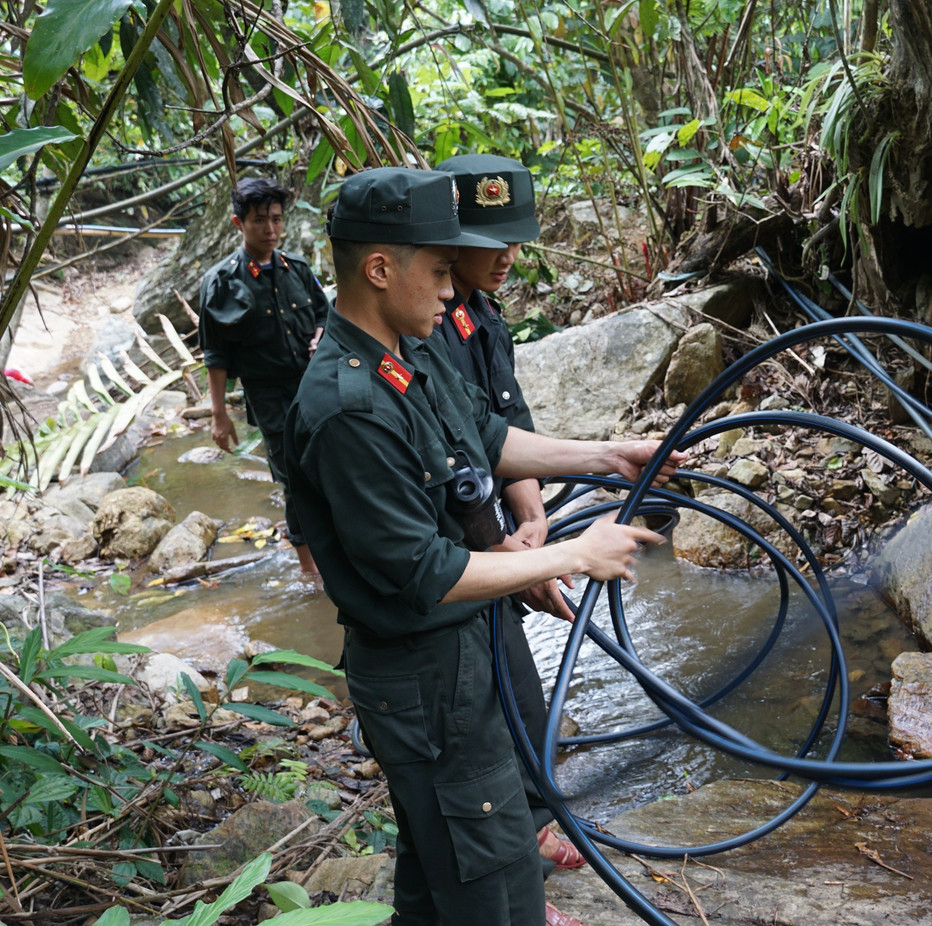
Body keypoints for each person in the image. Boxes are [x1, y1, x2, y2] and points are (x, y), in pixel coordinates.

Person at [284, 166, 684, 926]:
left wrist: (608, 455)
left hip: (457, 665)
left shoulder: (407, 355)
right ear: (379, 269)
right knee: (493, 890)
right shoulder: (349, 409)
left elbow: (487, 439)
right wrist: (573, 554)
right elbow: (424, 574)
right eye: (438, 270)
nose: (448, 289)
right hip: (426, 685)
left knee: (440, 883)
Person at [429, 153, 585, 871]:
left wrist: (536, 518)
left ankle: (533, 822)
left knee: (518, 686)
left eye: (515, 242)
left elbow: (503, 422)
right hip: (452, 555)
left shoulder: (482, 316)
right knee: (481, 706)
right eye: (490, 244)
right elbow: (452, 466)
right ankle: (513, 855)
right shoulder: (421, 329)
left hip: (493, 537)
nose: (507, 258)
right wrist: (514, 556)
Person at [199, 176, 328, 574]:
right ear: (239, 224)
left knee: (333, 470)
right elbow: (216, 354)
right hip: (269, 398)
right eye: (259, 221)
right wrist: (219, 416)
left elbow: (325, 314)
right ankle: (311, 573)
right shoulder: (222, 283)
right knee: (296, 484)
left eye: (276, 219)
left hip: (316, 389)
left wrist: (321, 336)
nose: (270, 229)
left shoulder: (298, 271)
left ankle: (339, 553)